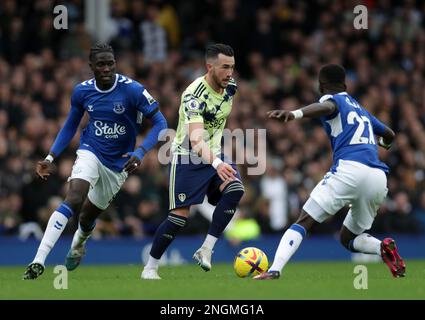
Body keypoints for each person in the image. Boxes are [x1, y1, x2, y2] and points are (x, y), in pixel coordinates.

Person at [23, 43, 168, 279]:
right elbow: (71, 124)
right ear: (91, 66)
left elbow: (161, 124)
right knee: (75, 195)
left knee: (87, 217)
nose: (107, 68)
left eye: (110, 63)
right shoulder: (82, 92)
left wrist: (140, 152)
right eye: (101, 64)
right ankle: (38, 260)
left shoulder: (133, 90)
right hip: (90, 150)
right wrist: (50, 156)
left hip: (119, 164)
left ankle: (79, 243)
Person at [254, 64, 406, 280]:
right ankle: (383, 248)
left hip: (350, 169)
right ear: (345, 84)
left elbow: (327, 108)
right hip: (377, 177)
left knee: (304, 221)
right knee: (349, 239)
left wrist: (294, 114)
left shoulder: (332, 99)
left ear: (321, 85)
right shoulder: (361, 109)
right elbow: (389, 133)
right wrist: (385, 144)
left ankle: (274, 269)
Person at [141, 43, 244, 279]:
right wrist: (218, 163)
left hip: (214, 153)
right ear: (210, 67)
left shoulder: (231, 88)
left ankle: (206, 249)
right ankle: (150, 267)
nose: (230, 73)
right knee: (179, 218)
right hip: (187, 157)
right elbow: (196, 141)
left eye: (233, 67)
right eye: (225, 67)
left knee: (235, 188)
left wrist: (218, 158)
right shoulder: (193, 95)